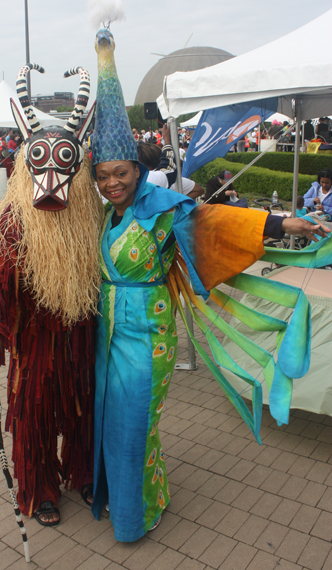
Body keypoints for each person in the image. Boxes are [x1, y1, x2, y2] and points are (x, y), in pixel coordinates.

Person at [90, 26, 330, 544]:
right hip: (106, 335)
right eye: (103, 175)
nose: (113, 183)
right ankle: (125, 495)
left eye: (121, 173)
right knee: (111, 419)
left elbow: (214, 224)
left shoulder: (161, 211)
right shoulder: (99, 218)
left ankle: (138, 513)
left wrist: (280, 224)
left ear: (137, 169)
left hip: (148, 335)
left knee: (135, 426)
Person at [0, 64, 102, 526]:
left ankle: (83, 472)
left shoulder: (95, 215)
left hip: (84, 332)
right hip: (37, 338)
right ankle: (40, 486)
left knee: (85, 405)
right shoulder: (13, 220)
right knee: (36, 411)